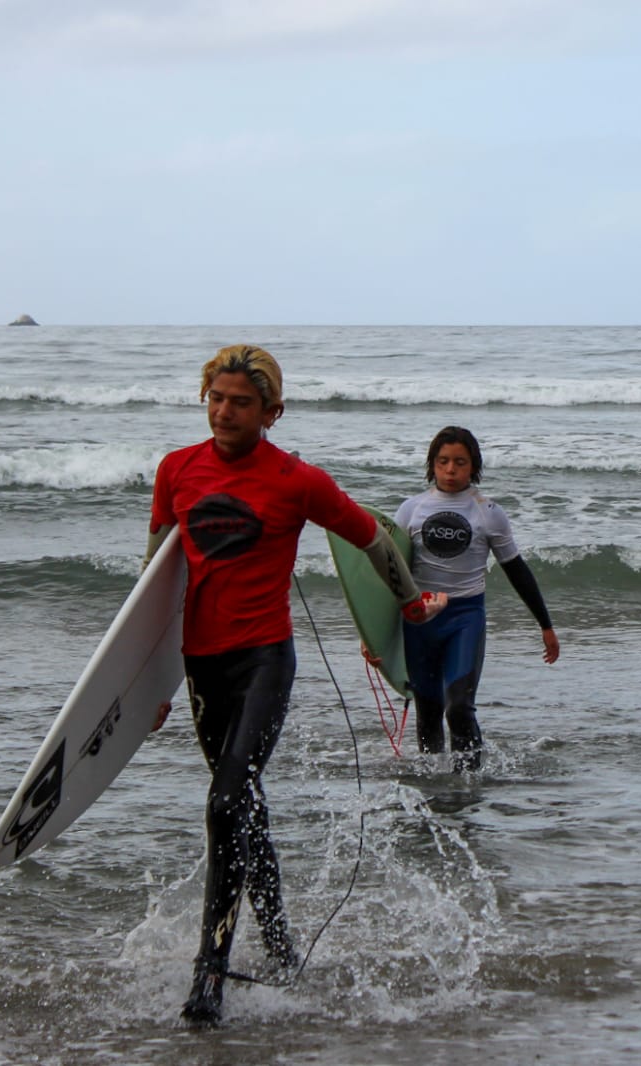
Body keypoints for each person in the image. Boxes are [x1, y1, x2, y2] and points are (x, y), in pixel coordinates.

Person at [147, 345, 446, 1027]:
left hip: (263, 660)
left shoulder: (297, 481)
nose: (224, 412)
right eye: (215, 398)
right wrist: (146, 683)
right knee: (242, 809)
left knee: (225, 801)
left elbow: (372, 537)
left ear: (271, 412)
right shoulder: (175, 470)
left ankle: (210, 971)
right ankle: (280, 943)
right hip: (201, 662)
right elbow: (157, 581)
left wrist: (405, 607)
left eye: (241, 402)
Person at [378, 426, 559, 773]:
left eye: (459, 463)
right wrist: (372, 635)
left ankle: (470, 781)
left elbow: (517, 570)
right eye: (443, 461)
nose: (450, 470)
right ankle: (433, 784)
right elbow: (390, 576)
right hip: (419, 619)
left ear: (473, 466)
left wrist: (546, 625)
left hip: (465, 616)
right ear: (431, 464)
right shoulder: (410, 510)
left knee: (458, 706)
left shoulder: (488, 512)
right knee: (428, 708)